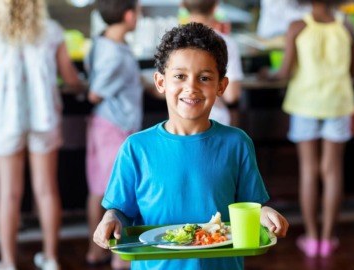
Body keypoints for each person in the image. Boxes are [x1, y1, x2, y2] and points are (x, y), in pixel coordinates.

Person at [93, 22, 289, 270]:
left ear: (221, 86)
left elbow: (251, 207)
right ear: (161, 82)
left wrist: (264, 214)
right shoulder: (136, 148)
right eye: (180, 76)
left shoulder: (237, 143)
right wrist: (111, 218)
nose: (192, 87)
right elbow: (120, 210)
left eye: (205, 78)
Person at [0, 0, 84, 269]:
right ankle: (50, 258)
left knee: (9, 194)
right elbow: (71, 78)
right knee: (48, 190)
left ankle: (8, 262)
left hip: (7, 121)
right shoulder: (52, 31)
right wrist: (81, 85)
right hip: (45, 118)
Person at [258, 0, 354, 258]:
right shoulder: (347, 26)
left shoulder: (297, 26)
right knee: (333, 171)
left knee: (309, 170)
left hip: (305, 104)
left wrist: (266, 74)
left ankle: (312, 238)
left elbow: (283, 72)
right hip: (338, 103)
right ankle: (327, 240)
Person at [83, 0, 143, 269]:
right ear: (129, 15)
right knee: (120, 193)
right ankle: (120, 257)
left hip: (102, 124)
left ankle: (95, 251)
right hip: (116, 129)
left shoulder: (101, 42)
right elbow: (96, 91)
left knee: (99, 188)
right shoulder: (117, 54)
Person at [181, 0, 243, 126]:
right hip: (215, 121)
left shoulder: (174, 42)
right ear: (215, 7)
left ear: (182, 6)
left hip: (180, 121)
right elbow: (232, 95)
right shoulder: (226, 43)